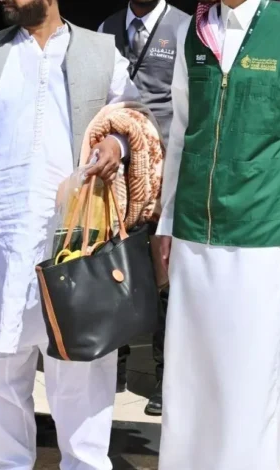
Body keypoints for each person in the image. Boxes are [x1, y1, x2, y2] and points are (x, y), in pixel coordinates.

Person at [0, 0, 146, 467]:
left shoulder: (101, 52)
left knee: (81, 371)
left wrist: (117, 143)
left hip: (72, 241)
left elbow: (134, 117)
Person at [156, 0, 280, 468]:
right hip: (194, 232)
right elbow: (181, 131)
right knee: (190, 378)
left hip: (264, 236)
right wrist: (167, 221)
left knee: (250, 380)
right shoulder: (193, 32)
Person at [98, 0, 188, 415]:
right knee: (113, 266)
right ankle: (112, 369)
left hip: (165, 169)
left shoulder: (184, 28)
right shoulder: (108, 27)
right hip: (116, 171)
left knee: (164, 275)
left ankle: (164, 379)